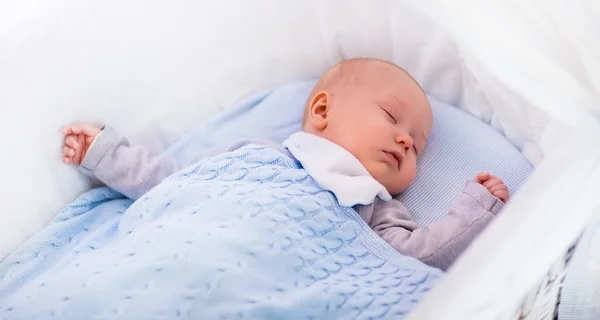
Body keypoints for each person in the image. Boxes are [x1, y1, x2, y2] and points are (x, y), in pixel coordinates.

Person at [61, 58, 509, 271]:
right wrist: (106, 153)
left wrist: (472, 210)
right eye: (392, 118)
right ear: (321, 111)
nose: (404, 140)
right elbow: (172, 182)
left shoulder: (376, 207)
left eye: (416, 146)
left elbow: (418, 256)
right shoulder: (257, 157)